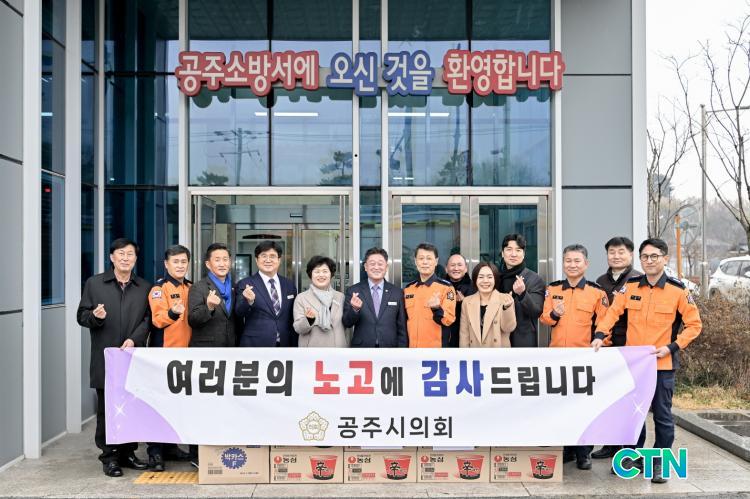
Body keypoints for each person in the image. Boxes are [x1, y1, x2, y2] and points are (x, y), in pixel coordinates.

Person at [592, 238, 702, 483]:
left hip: (662, 365)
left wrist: (672, 347)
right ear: (640, 259)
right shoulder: (630, 287)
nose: (649, 261)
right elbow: (612, 313)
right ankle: (633, 458)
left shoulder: (678, 290)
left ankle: (659, 463)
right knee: (633, 415)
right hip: (634, 365)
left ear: (665, 259)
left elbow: (694, 325)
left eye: (654, 256)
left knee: (662, 416)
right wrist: (600, 335)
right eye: (645, 257)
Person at [76, 238, 151, 477]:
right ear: (112, 257)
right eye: (121, 253)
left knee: (132, 406)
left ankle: (128, 453)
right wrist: (95, 317)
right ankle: (109, 457)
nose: (125, 258)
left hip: (132, 356)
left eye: (130, 254)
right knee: (107, 409)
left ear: (135, 259)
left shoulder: (144, 287)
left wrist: (135, 339)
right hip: (106, 357)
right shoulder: (95, 283)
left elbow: (148, 320)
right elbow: (81, 316)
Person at [540, 244, 609, 471]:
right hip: (558, 357)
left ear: (586, 264)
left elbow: (605, 324)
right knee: (561, 405)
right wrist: (555, 313)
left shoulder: (596, 292)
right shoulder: (553, 289)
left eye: (577, 261)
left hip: (584, 359)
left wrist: (599, 343)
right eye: (568, 260)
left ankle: (584, 452)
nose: (572, 265)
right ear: (563, 263)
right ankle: (568, 449)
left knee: (583, 407)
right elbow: (544, 319)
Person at [591, 236, 643, 460]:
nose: (616, 256)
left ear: (630, 254)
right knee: (608, 397)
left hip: (628, 344)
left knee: (630, 399)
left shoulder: (638, 279)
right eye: (612, 252)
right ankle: (610, 445)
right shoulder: (600, 280)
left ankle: (630, 449)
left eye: (621, 252)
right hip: (604, 344)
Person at [187, 242, 237, 468]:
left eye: (225, 259)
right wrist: (208, 306)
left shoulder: (234, 287)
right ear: (208, 264)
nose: (222, 263)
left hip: (229, 353)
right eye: (217, 260)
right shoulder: (199, 287)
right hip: (205, 354)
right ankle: (196, 453)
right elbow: (193, 319)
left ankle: (220, 446)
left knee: (224, 404)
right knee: (202, 404)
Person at [146, 245, 193, 472]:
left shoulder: (191, 287)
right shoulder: (159, 288)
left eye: (184, 261)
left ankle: (171, 447)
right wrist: (173, 312)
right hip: (164, 355)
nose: (180, 265)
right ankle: (155, 452)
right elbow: (157, 319)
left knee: (179, 405)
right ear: (166, 264)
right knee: (160, 405)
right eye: (176, 262)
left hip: (188, 357)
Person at [235, 240, 298, 347]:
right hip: (256, 344)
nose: (268, 260)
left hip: (285, 344)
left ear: (279, 260)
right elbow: (239, 313)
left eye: (272, 256)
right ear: (256, 260)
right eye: (264, 256)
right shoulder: (245, 284)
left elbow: (292, 316)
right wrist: (249, 301)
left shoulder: (289, 285)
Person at [342, 247, 407, 347]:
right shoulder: (354, 291)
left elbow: (402, 327)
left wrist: (402, 350)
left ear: (386, 267)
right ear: (365, 267)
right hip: (362, 348)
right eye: (372, 264)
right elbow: (347, 323)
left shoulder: (397, 292)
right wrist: (355, 309)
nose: (376, 267)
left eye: (380, 264)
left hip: (390, 348)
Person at [496, 233, 545, 347]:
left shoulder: (534, 279)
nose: (513, 254)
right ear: (502, 253)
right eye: (509, 249)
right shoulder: (495, 278)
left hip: (523, 340)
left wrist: (522, 294)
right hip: (498, 338)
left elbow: (536, 311)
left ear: (523, 254)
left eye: (518, 250)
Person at [403, 243, 456, 348]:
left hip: (435, 351)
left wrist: (436, 309)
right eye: (421, 258)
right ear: (415, 261)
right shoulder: (408, 289)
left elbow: (449, 319)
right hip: (412, 351)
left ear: (436, 261)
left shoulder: (446, 288)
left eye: (429, 258)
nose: (425, 262)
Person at [293, 256, 350, 347]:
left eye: (325, 271)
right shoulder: (301, 298)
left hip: (338, 350)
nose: (321, 275)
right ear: (310, 274)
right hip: (313, 350)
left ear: (331, 274)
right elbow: (298, 329)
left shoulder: (340, 297)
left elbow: (347, 324)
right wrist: (308, 320)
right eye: (317, 271)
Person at [459, 262, 515, 348]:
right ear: (475, 279)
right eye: (481, 277)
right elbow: (464, 334)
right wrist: (465, 355)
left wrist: (507, 308)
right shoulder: (467, 302)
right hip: (475, 354)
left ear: (495, 279)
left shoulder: (505, 299)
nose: (485, 281)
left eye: (489, 277)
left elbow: (508, 328)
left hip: (498, 354)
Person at [444, 254, 476, 347]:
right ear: (446, 269)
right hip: (444, 337)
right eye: (452, 265)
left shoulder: (475, 287)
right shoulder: (439, 287)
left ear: (466, 268)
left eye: (459, 265)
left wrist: (464, 302)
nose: (456, 268)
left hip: (467, 338)